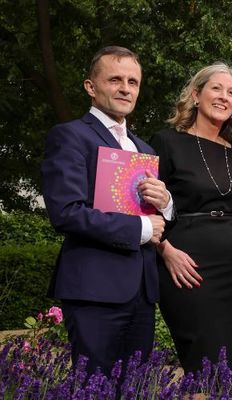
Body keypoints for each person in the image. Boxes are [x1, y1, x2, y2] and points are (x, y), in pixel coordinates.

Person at [41, 46, 172, 375]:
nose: (126, 88)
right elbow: (67, 212)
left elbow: (156, 218)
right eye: (115, 79)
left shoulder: (144, 149)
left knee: (135, 388)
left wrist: (167, 204)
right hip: (94, 290)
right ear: (90, 86)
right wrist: (142, 229)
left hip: (141, 292)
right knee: (92, 387)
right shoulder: (70, 136)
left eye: (133, 81)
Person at [149, 62, 232, 376]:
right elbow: (147, 207)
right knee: (203, 364)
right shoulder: (166, 142)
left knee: (230, 369)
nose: (224, 97)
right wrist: (165, 250)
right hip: (187, 266)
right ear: (196, 95)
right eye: (216, 88)